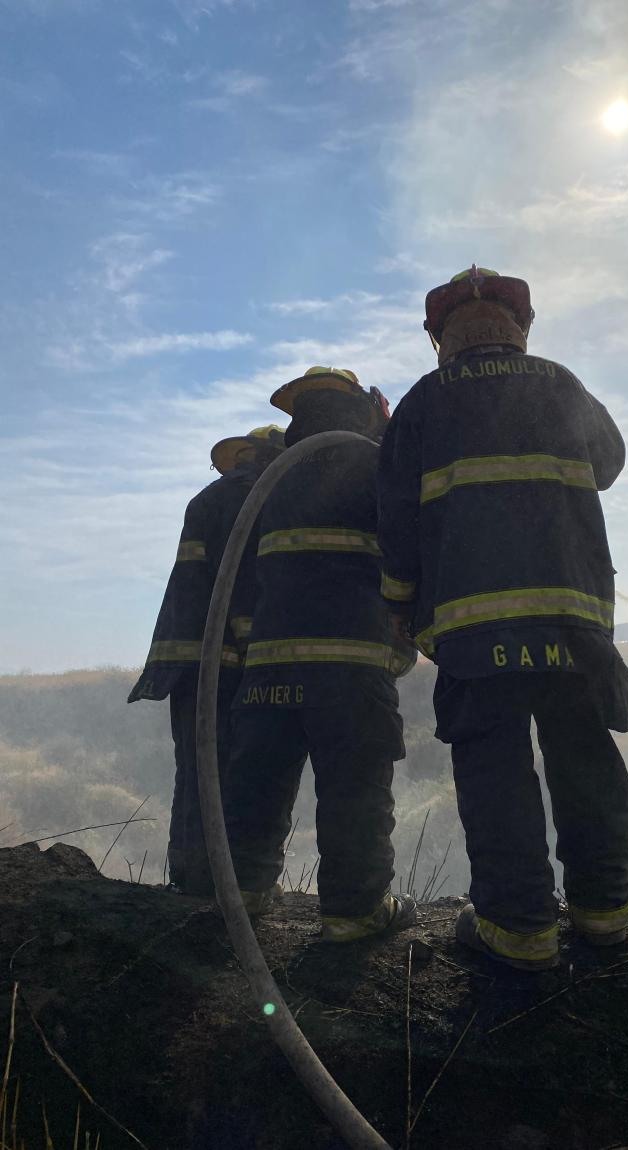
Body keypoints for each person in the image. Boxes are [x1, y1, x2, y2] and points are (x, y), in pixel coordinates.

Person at [377, 267, 628, 971]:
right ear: (519, 329)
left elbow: (396, 519)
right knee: (584, 758)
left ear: (440, 340)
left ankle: (519, 929)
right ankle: (604, 914)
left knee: (494, 771)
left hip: (471, 632)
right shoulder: (561, 382)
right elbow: (609, 463)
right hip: (573, 620)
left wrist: (399, 605)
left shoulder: (422, 402)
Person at [222, 367, 417, 934]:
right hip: (351, 667)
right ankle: (355, 912)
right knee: (354, 789)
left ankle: (246, 894)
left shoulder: (266, 479)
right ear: (358, 408)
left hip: (267, 669)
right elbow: (407, 551)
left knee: (256, 784)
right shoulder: (377, 465)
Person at [128, 426, 285, 894]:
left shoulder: (205, 499)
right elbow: (248, 584)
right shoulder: (263, 496)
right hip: (234, 659)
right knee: (245, 770)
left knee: (198, 766)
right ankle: (234, 883)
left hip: (186, 662)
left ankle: (193, 877)